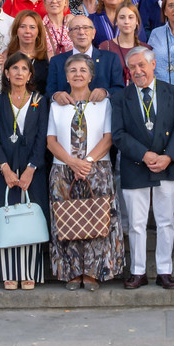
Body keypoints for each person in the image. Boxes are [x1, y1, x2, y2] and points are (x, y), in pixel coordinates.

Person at [112, 46, 174, 290]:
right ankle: (138, 271)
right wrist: (144, 155)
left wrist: (169, 157)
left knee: (166, 222)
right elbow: (119, 135)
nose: (137, 71)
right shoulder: (121, 97)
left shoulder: (172, 92)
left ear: (153, 65)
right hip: (135, 165)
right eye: (132, 67)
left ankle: (165, 270)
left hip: (166, 166)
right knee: (136, 224)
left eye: (141, 65)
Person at [45, 55, 121, 289]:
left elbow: (109, 138)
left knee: (96, 219)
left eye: (82, 70)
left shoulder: (103, 103)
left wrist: (86, 162)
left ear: (91, 75)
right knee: (67, 221)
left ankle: (93, 272)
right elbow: (51, 140)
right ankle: (72, 272)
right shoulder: (57, 104)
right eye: (72, 71)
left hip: (97, 169)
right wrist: (71, 162)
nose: (78, 74)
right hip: (63, 171)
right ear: (66, 76)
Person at [0, 53, 49, 290]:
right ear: (7, 73)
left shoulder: (40, 100)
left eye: (24, 68)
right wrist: (4, 168)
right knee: (7, 218)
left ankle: (29, 271)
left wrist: (32, 168)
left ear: (30, 74)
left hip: (32, 168)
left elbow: (43, 136)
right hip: (3, 169)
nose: (19, 72)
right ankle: (8, 272)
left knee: (29, 218)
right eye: (14, 68)